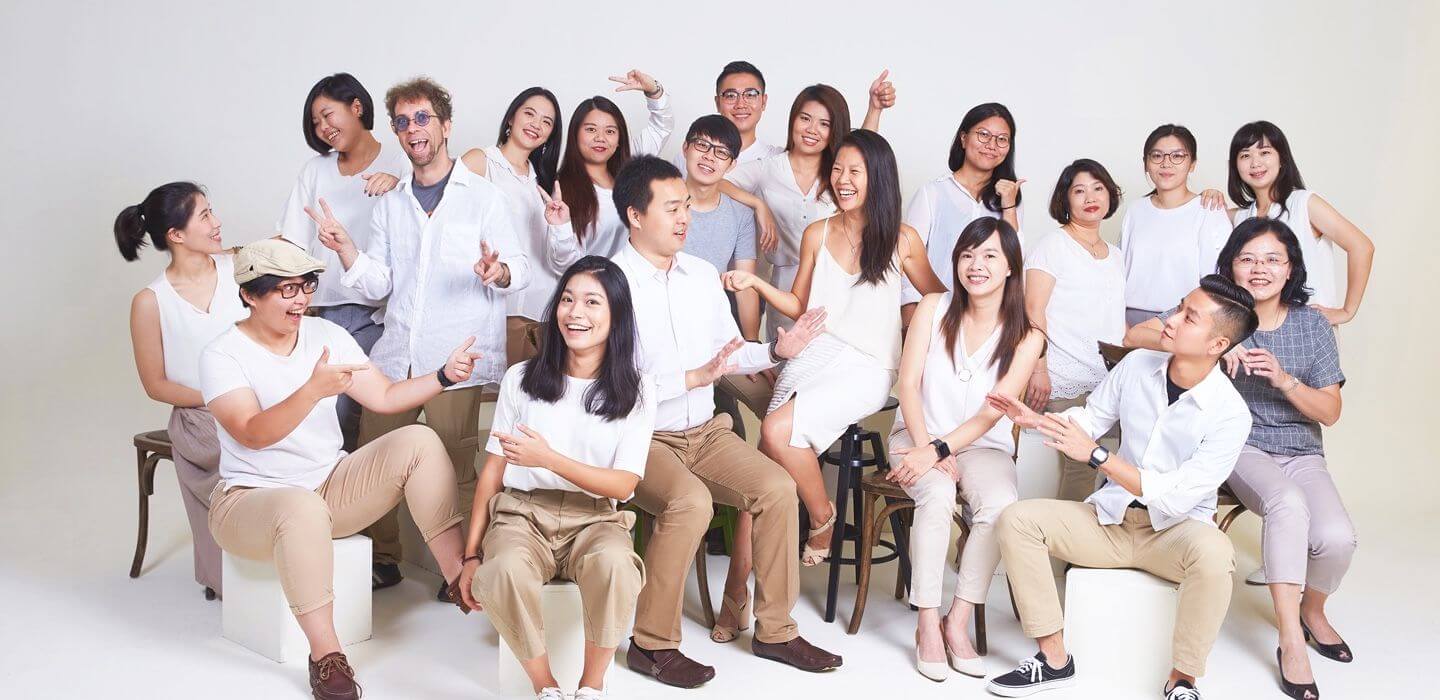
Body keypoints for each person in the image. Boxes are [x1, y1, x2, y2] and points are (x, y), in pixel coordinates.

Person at [202, 239, 476, 700]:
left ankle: (461, 577)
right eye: (286, 290)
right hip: (247, 502)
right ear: (249, 294)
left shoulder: (325, 335)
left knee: (419, 440)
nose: (301, 299)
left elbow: (384, 396)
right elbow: (251, 433)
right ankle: (327, 655)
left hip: (328, 488)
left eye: (306, 285)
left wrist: (444, 376)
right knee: (300, 508)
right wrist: (312, 390)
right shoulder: (222, 354)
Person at [610, 156, 841, 687]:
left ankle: (775, 632)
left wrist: (778, 350)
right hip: (642, 436)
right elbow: (607, 386)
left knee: (778, 489)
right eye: (672, 208)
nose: (684, 217)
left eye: (686, 206)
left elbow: (728, 353)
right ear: (635, 216)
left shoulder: (699, 275)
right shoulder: (609, 283)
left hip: (707, 432)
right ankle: (650, 645)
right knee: (690, 502)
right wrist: (689, 378)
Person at [985, 274, 1258, 700]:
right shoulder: (1136, 365)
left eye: (1189, 317)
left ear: (1217, 344)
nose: (1170, 320)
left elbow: (1177, 497)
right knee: (1018, 520)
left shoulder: (1231, 414)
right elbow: (1090, 419)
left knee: (1217, 554)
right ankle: (1053, 659)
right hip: (1111, 521)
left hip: (1175, 534)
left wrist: (1098, 456)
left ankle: (1182, 680)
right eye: (1179, 307)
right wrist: (1039, 421)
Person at [316, 76, 530, 591]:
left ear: (445, 126)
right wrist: (347, 250)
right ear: (396, 132)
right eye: (403, 122)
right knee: (373, 455)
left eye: (423, 118)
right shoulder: (391, 203)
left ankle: (463, 569)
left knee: (455, 463)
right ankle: (382, 558)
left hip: (459, 353)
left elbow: (520, 269)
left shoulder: (483, 197)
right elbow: (381, 283)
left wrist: (497, 271)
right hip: (396, 354)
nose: (413, 129)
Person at [1126, 218, 1353, 700]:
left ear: (1290, 268)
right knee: (1287, 503)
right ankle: (1291, 640)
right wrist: (1215, 345)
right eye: (1247, 258)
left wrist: (1285, 380)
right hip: (1238, 446)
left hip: (1301, 449)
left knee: (1337, 539)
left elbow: (1331, 412)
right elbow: (1134, 336)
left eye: (1272, 259)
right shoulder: (1217, 313)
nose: (1259, 268)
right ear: (1231, 265)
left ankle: (1313, 610)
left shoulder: (1312, 325)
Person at [721, 129, 944, 571]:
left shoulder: (902, 240)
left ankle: (821, 516)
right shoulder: (817, 233)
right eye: (837, 169)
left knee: (775, 431)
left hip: (868, 366)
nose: (842, 179)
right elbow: (799, 304)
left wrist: (911, 324)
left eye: (854, 171)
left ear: (877, 177)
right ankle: (740, 591)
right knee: (767, 460)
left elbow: (939, 300)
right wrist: (756, 283)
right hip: (814, 354)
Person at [456, 256, 653, 700]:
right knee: (503, 569)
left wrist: (548, 459)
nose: (575, 312)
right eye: (567, 299)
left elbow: (624, 485)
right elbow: (493, 472)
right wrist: (470, 555)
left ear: (617, 315)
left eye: (592, 302)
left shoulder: (637, 389)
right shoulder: (521, 379)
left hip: (596, 518)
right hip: (522, 515)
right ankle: (545, 685)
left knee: (617, 565)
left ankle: (591, 686)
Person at [884, 217, 1045, 681]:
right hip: (915, 435)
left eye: (990, 255)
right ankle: (927, 622)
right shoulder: (932, 307)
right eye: (968, 255)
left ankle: (957, 620)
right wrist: (926, 447)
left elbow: (992, 414)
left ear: (1011, 267)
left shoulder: (1027, 336)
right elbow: (907, 385)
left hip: (981, 446)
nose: (977, 265)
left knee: (1001, 505)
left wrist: (941, 449)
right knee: (936, 495)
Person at [116, 182, 247, 598]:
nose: (217, 221)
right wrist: (217, 398)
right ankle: (236, 572)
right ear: (175, 234)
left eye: (212, 211)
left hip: (258, 400)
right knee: (238, 447)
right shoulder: (150, 301)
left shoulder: (240, 267)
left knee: (289, 438)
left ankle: (291, 554)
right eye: (205, 215)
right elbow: (156, 385)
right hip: (199, 414)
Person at [277, 73, 410, 453]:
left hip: (380, 314)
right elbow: (291, 239)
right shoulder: (315, 170)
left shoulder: (401, 160)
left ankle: (354, 484)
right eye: (315, 122)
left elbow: (428, 220)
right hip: (322, 311)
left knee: (361, 412)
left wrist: (400, 186)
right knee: (321, 411)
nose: (323, 128)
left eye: (327, 115)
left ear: (356, 106)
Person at [721, 75, 896, 339]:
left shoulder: (839, 171)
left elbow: (864, 155)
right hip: (785, 287)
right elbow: (717, 183)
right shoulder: (769, 168)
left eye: (824, 124)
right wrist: (758, 204)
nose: (812, 129)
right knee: (786, 358)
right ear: (793, 120)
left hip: (838, 283)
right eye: (805, 119)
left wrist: (874, 110)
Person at [1024, 159, 1127, 502]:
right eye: (1079, 191)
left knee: (1129, 457)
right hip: (1063, 376)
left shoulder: (1116, 256)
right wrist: (1038, 369)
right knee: (1082, 462)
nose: (1090, 197)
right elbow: (1032, 311)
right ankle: (1067, 534)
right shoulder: (1052, 246)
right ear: (1065, 199)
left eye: (1098, 188)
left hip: (1109, 378)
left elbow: (1117, 321)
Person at [675, 115, 771, 440]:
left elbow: (745, 285)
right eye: (702, 146)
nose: (709, 157)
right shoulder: (662, 201)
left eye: (720, 152)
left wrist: (752, 345)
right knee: (714, 418)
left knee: (776, 404)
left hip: (714, 333)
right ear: (685, 148)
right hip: (670, 335)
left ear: (731, 164)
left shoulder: (739, 214)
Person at [1227, 120, 1375, 325]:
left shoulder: (1304, 203)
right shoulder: (1240, 217)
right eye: (1245, 155)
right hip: (1257, 329)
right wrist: (1209, 195)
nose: (1255, 163)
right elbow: (1195, 214)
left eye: (1265, 152)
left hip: (1307, 328)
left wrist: (1347, 311)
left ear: (1282, 159)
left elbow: (1362, 246)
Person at [459, 87, 564, 365]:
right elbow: (441, 210)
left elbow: (553, 255)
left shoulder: (543, 181)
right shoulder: (481, 161)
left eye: (546, 122)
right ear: (511, 118)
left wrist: (560, 226)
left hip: (542, 311)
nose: (536, 124)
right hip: (494, 306)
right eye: (529, 114)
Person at [900, 102, 1025, 326]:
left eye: (1002, 139)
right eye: (983, 135)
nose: (992, 145)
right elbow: (907, 263)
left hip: (989, 321)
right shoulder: (932, 193)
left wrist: (1009, 206)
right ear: (964, 138)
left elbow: (1013, 262)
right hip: (936, 317)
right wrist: (910, 321)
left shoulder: (1010, 199)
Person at [545, 70, 674, 270]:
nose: (601, 138)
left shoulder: (630, 168)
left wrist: (653, 91)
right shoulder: (563, 191)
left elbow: (661, 127)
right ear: (575, 135)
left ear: (619, 138)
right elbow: (563, 264)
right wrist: (561, 227)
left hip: (636, 283)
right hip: (594, 285)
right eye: (591, 129)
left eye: (610, 131)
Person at [1119, 124, 1233, 327]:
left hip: (1185, 321)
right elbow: (1120, 271)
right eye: (1157, 156)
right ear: (1146, 163)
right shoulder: (1135, 210)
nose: (1166, 163)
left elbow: (1219, 281)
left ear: (1192, 164)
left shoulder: (1209, 210)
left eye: (1177, 156)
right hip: (1128, 321)